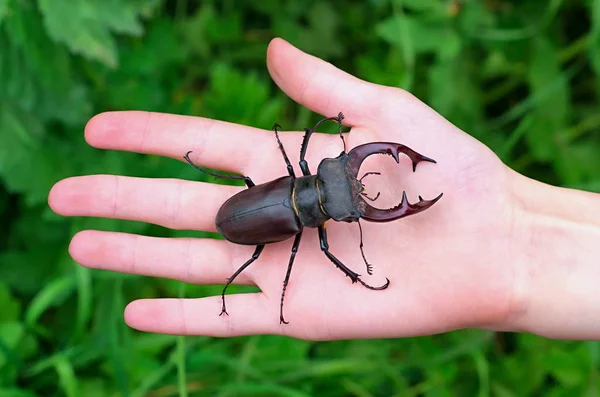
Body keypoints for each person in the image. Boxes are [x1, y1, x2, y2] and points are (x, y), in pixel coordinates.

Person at [48, 38, 600, 341]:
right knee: (267, 244)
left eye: (347, 201)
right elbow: (297, 245)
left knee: (268, 242)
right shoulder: (303, 220)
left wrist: (319, 130)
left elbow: (304, 161)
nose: (350, 189)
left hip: (255, 214)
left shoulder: (296, 186)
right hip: (246, 218)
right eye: (344, 194)